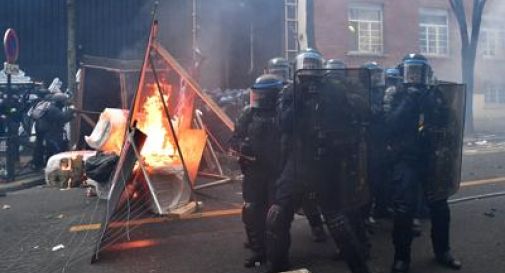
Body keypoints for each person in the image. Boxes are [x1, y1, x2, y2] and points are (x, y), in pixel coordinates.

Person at [265, 49, 372, 273]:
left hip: (325, 162)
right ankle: (277, 265)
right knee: (277, 216)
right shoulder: (290, 91)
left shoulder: (333, 91)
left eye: (314, 68)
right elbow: (284, 125)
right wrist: (299, 99)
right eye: (307, 68)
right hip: (297, 161)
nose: (310, 74)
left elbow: (353, 116)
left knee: (337, 221)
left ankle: (360, 268)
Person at [383, 53, 462, 273]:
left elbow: (448, 122)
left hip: (430, 157)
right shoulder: (395, 94)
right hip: (406, 159)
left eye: (419, 71)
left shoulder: (434, 94)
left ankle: (443, 251)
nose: (415, 75)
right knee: (404, 209)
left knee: (439, 205)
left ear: (426, 73)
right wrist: (409, 100)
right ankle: (401, 258)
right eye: (412, 71)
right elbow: (389, 125)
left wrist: (433, 104)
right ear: (405, 73)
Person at [230, 74, 284, 268]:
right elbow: (234, 139)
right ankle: (259, 252)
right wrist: (242, 147)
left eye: (263, 94)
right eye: (257, 93)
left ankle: (278, 258)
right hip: (254, 172)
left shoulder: (285, 113)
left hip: (278, 172)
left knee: (276, 217)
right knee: (252, 212)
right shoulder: (249, 113)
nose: (259, 98)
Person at [31, 93, 74, 168]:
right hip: (51, 133)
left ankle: (44, 165)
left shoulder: (50, 107)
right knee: (58, 150)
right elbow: (63, 118)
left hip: (46, 132)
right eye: (64, 101)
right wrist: (71, 110)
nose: (64, 103)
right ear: (59, 101)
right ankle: (61, 168)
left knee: (49, 150)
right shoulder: (53, 109)